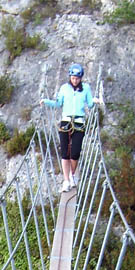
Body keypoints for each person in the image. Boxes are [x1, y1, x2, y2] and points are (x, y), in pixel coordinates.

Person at [42, 64, 95, 192]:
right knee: (65, 153)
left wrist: (96, 101)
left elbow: (90, 104)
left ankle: (72, 174)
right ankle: (66, 180)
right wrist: (46, 101)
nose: (74, 80)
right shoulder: (64, 88)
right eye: (73, 78)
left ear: (80, 78)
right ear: (70, 77)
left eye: (77, 78)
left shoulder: (86, 88)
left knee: (75, 152)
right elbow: (59, 104)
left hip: (78, 122)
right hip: (65, 122)